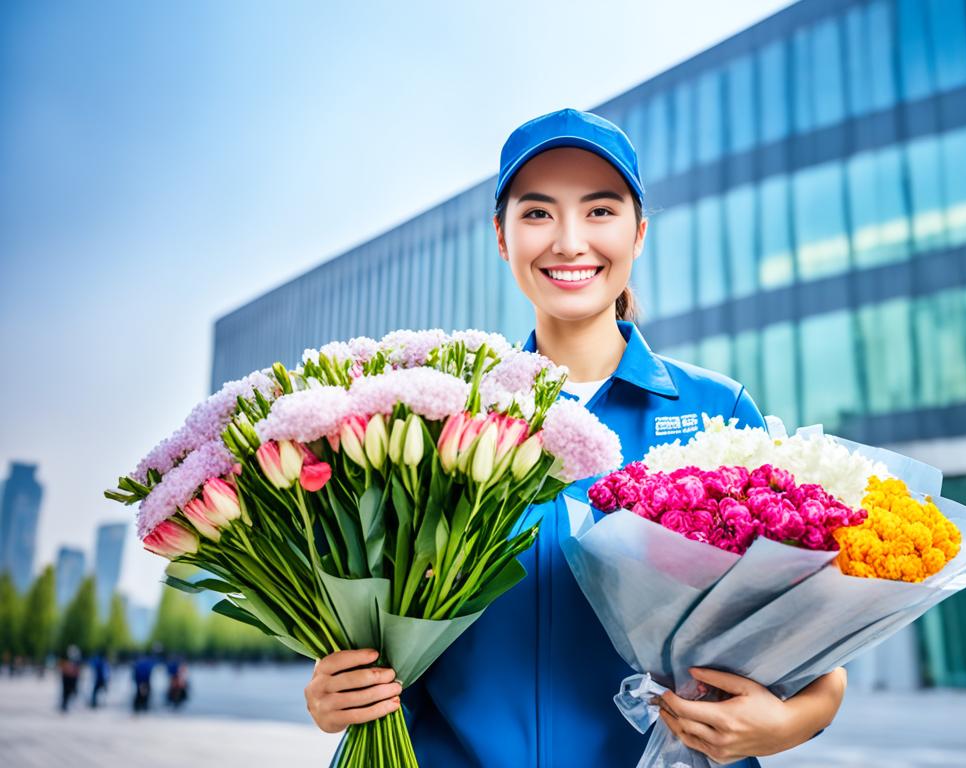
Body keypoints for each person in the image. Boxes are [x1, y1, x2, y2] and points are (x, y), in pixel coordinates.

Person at [302, 108, 847, 766]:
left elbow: (817, 658)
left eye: (599, 211)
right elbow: (378, 636)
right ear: (502, 239)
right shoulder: (434, 424)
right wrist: (339, 689)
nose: (567, 241)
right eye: (536, 213)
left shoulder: (718, 411)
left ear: (638, 233)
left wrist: (784, 726)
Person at [59, 645, 81, 713]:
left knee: (69, 692)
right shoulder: (65, 659)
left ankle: (66, 705)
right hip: (66, 678)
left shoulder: (76, 661)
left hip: (70, 678)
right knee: (65, 692)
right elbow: (62, 669)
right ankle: (64, 705)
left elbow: (77, 672)